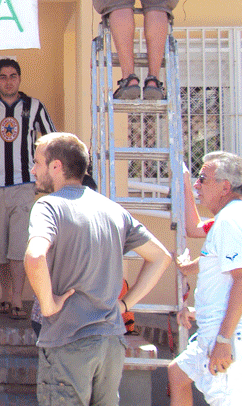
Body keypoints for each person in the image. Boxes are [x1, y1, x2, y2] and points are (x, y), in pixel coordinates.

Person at [25, 132, 171, 406]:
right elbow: (161, 257)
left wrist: (49, 305)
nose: (33, 170)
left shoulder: (49, 206)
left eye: (37, 163)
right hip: (111, 345)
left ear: (56, 166)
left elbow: (34, 257)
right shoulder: (113, 210)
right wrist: (125, 305)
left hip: (69, 342)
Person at [169, 153, 242, 406]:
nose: (196, 185)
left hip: (230, 337)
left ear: (225, 186)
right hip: (218, 330)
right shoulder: (231, 216)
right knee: (178, 374)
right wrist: (200, 310)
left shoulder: (231, 221)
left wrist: (224, 341)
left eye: (203, 179)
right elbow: (218, 264)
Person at [0, 58, 55, 319]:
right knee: (0, 246)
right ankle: (4, 293)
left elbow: (50, 142)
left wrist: (44, 177)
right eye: (3, 76)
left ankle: (17, 300)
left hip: (24, 185)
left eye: (13, 76)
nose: (8, 81)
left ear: (19, 79)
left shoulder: (33, 107)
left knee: (19, 246)